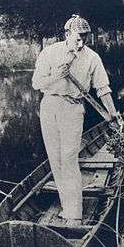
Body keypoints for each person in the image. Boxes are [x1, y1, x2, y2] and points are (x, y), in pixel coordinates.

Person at [32, 14, 118, 226]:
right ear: (67, 34)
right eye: (78, 37)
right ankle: (66, 207)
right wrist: (57, 76)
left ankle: (75, 215)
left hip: (73, 108)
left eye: (85, 37)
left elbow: (102, 88)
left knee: (69, 158)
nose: (81, 42)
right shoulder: (50, 53)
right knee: (56, 161)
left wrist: (112, 113)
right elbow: (36, 83)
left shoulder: (92, 58)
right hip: (50, 105)